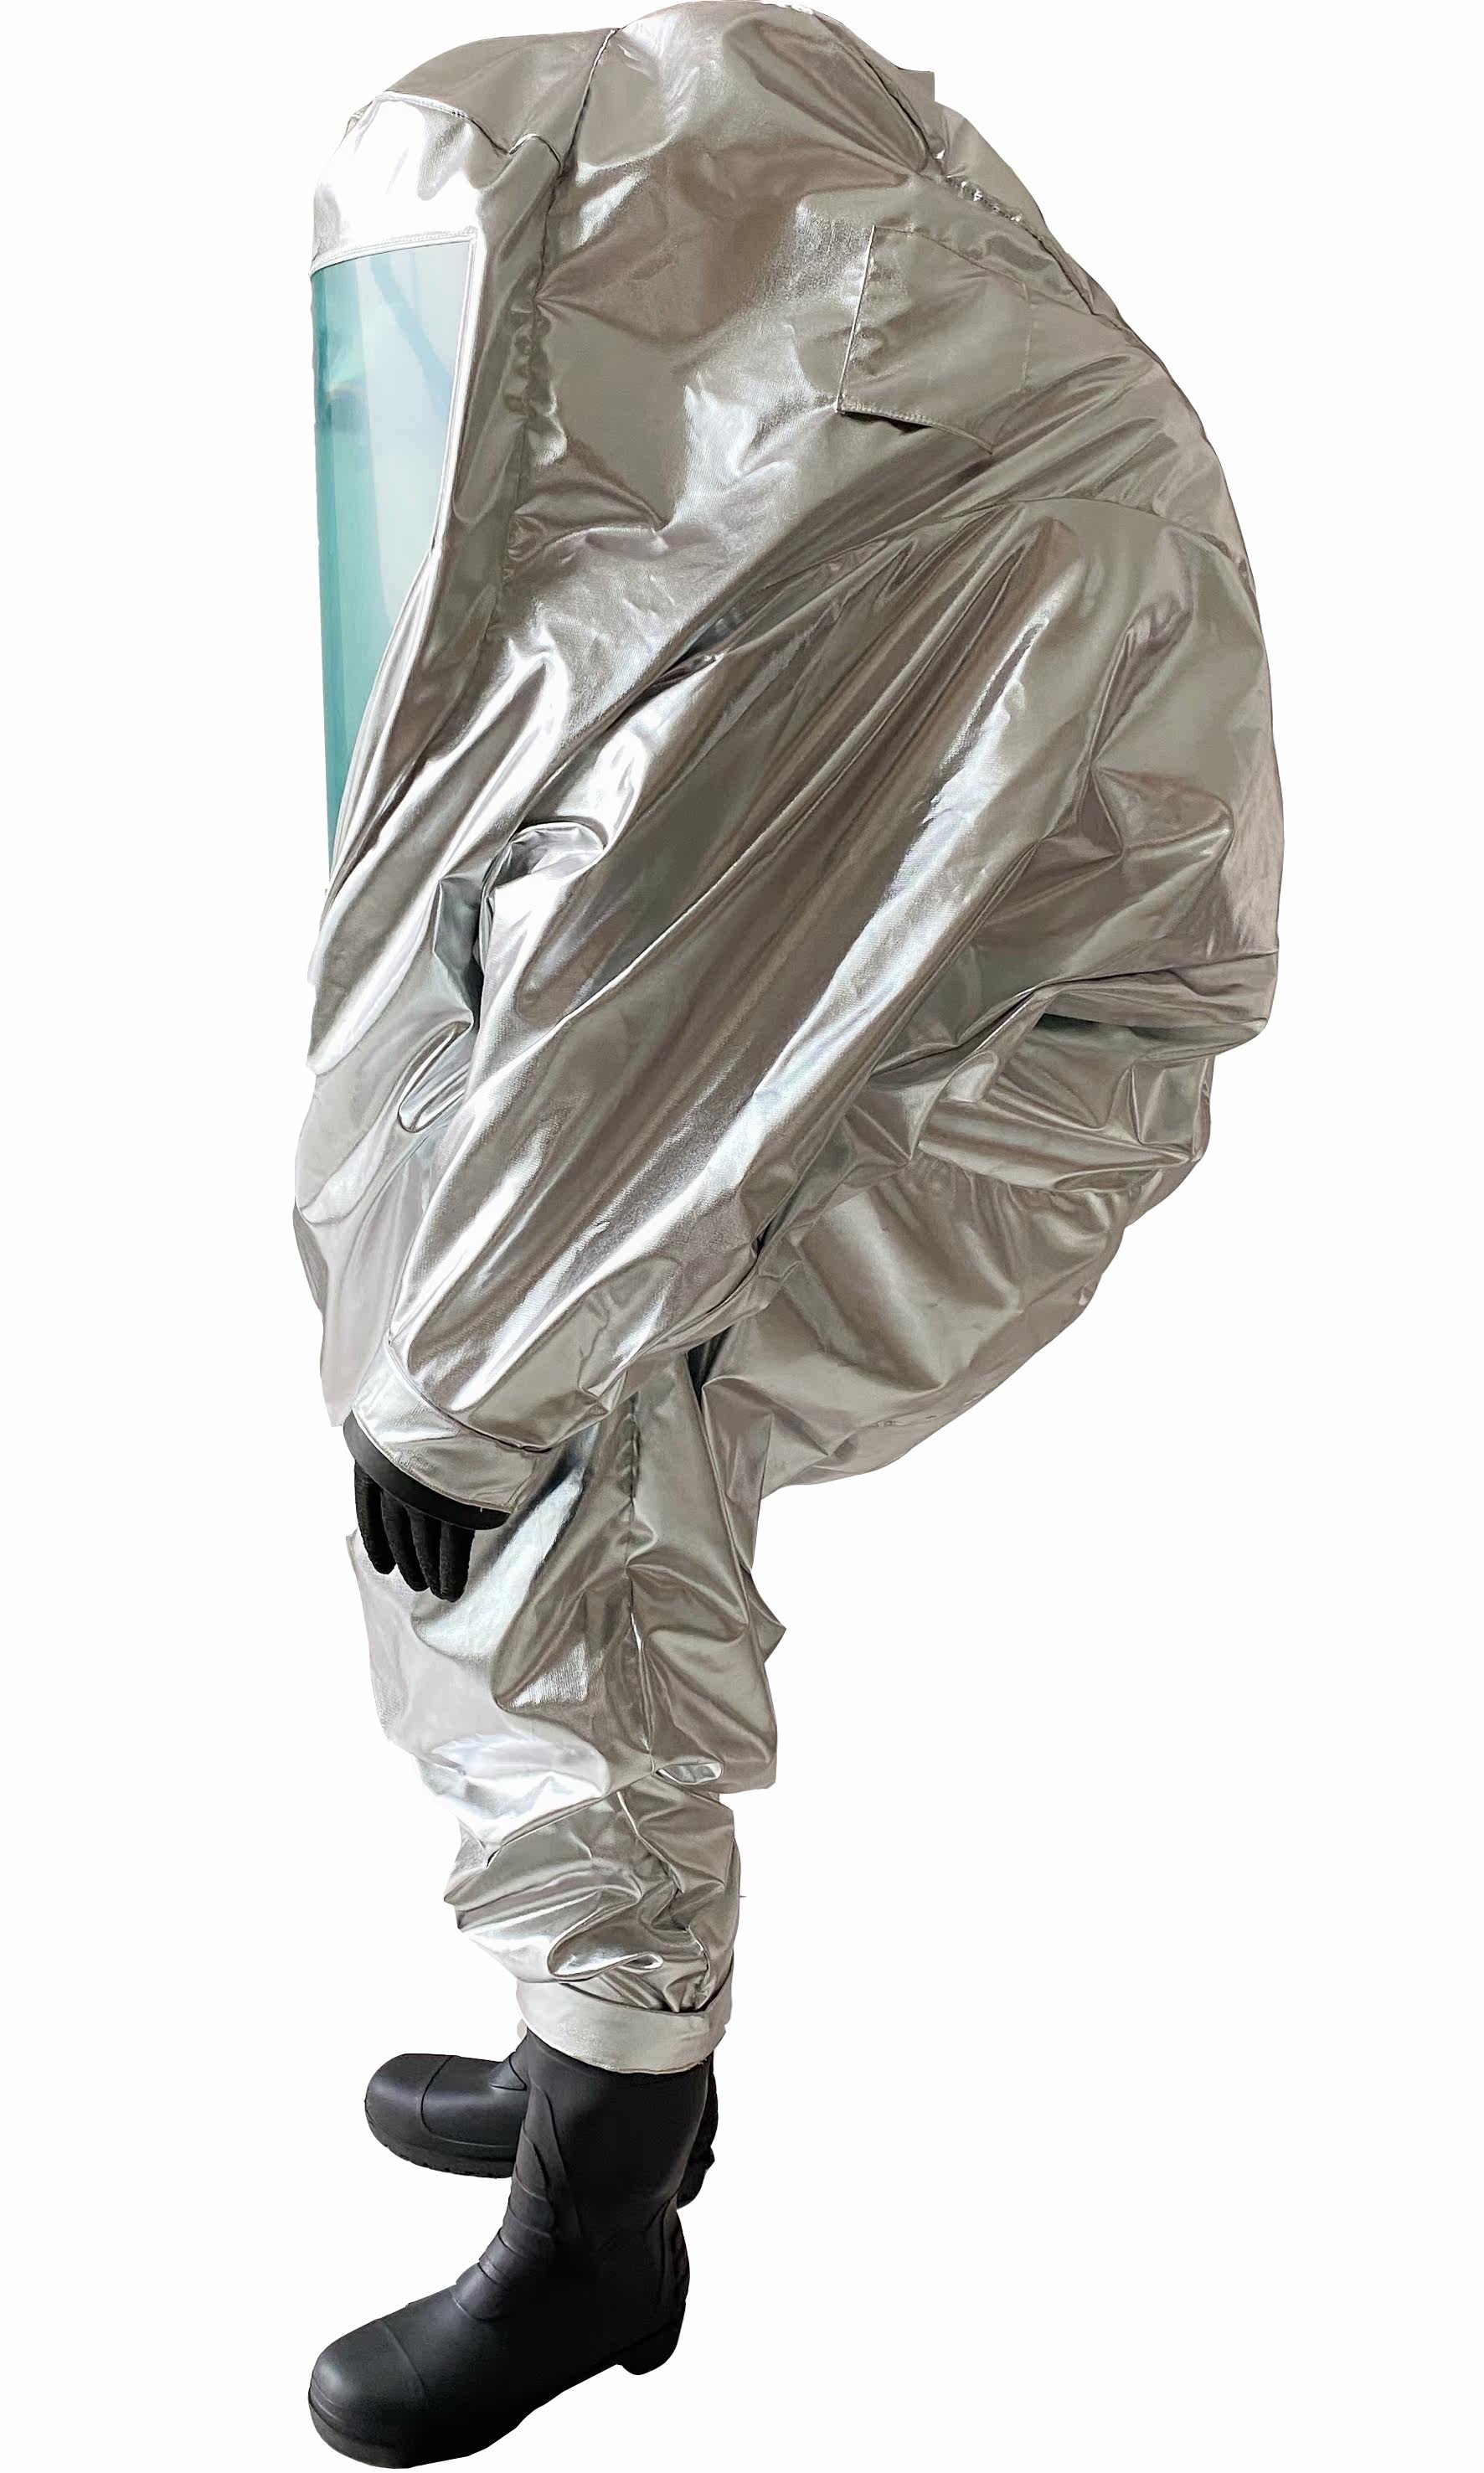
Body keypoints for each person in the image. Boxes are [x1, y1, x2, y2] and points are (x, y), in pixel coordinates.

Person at [296, 8, 1282, 2460]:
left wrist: (464, 1382)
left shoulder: (884, 486)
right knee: (519, 1430)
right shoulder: (822, 390)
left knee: (560, 1515)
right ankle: (586, 2032)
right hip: (863, 1038)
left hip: (945, 1094)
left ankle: (603, 2209)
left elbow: (684, 993)